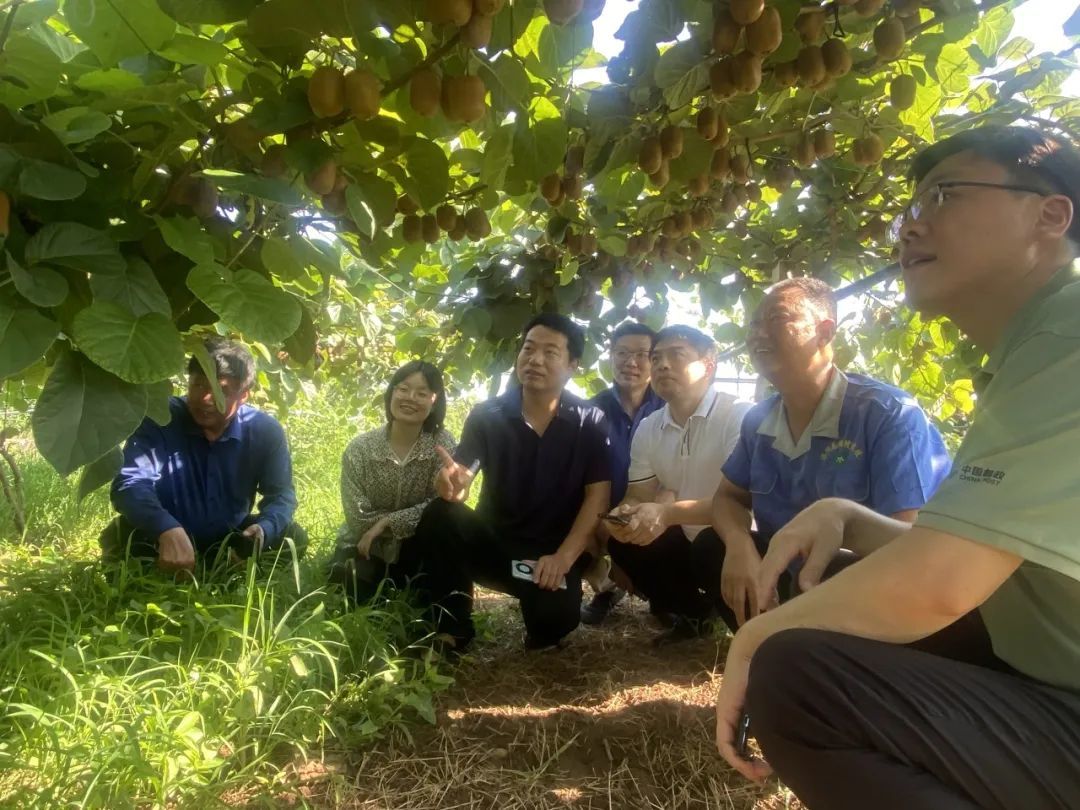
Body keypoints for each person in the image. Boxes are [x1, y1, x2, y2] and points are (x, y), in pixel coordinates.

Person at [714, 126, 1080, 810]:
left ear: (1050, 214)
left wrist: (757, 638)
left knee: (797, 675)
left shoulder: (1070, 335)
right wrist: (847, 516)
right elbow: (986, 557)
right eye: (907, 210)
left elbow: (939, 584)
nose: (910, 228)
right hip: (1045, 666)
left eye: (943, 195)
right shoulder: (1033, 350)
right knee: (839, 594)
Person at [709, 278, 951, 629]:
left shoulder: (887, 413)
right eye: (754, 324)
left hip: (871, 585)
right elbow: (726, 498)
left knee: (837, 565)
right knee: (711, 547)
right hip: (790, 575)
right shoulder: (759, 421)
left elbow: (905, 540)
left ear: (824, 332)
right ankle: (770, 641)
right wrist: (738, 544)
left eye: (776, 318)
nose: (758, 334)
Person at [423, 313, 611, 650]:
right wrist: (454, 485)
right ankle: (453, 628)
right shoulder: (488, 415)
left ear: (573, 365)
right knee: (441, 514)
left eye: (551, 352)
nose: (535, 359)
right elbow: (464, 472)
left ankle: (541, 616)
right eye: (528, 348)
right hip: (497, 545)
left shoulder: (590, 422)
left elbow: (597, 497)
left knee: (553, 624)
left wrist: (564, 558)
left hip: (551, 556)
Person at [101, 338, 305, 570]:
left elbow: (281, 495)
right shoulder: (160, 418)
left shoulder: (264, 431)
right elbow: (130, 483)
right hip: (161, 535)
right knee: (121, 539)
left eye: (221, 390)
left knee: (292, 537)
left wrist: (263, 530)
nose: (205, 399)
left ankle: (230, 568)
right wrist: (166, 528)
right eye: (198, 385)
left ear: (244, 395)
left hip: (229, 538)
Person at [605, 325, 753, 645]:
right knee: (624, 542)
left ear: (709, 364)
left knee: (711, 544)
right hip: (687, 538)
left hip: (738, 540)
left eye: (676, 355)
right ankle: (696, 614)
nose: (662, 365)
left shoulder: (739, 416)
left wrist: (666, 513)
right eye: (656, 357)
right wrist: (626, 514)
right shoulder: (649, 428)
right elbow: (639, 493)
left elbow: (741, 503)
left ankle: (757, 636)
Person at [326, 361, 464, 645]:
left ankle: (452, 628)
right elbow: (357, 515)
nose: (410, 398)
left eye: (422, 393)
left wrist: (389, 521)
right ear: (391, 394)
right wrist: (377, 527)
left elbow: (440, 508)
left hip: (418, 548)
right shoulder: (361, 449)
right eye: (403, 389)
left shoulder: (442, 446)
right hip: (367, 547)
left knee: (444, 530)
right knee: (353, 601)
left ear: (434, 402)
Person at [581, 321, 664, 625]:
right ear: (610, 356)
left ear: (655, 360)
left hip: (655, 507)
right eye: (622, 353)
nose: (631, 362)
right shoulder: (589, 412)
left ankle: (660, 593)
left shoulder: (669, 407)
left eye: (642, 354)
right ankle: (604, 586)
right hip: (602, 510)